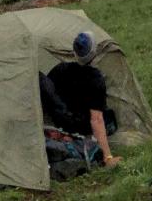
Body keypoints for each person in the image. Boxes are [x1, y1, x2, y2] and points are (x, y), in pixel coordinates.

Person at [38, 31, 121, 169]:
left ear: (74, 52)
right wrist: (108, 156)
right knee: (108, 116)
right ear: (93, 52)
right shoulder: (96, 80)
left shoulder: (61, 69)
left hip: (61, 121)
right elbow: (96, 119)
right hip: (80, 126)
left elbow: (48, 95)